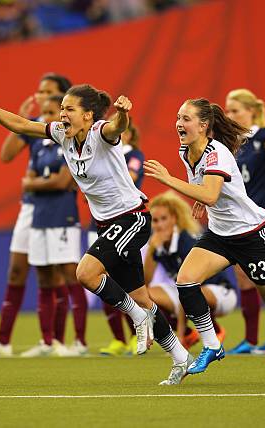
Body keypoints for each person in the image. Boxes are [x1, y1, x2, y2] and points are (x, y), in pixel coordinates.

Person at [0, 84, 193, 385]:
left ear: (87, 115)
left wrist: (123, 115)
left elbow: (117, 127)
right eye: (62, 110)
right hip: (107, 225)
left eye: (69, 109)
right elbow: (20, 124)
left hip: (131, 219)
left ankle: (137, 318)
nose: (62, 115)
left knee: (85, 273)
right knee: (143, 299)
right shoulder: (62, 134)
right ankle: (181, 358)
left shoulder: (102, 133)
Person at [144, 98, 265, 384]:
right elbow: (205, 191)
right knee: (186, 280)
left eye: (186, 119)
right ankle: (212, 345)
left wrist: (171, 181)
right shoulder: (186, 150)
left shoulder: (216, 152)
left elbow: (211, 193)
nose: (179, 123)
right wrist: (201, 201)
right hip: (220, 234)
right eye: (178, 117)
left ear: (204, 126)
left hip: (251, 234)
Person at [0, 72, 73, 357]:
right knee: (17, 270)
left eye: (47, 91)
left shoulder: (67, 130)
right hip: (30, 206)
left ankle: (56, 341)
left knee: (54, 275)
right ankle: (3, 342)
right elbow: (6, 155)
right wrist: (19, 118)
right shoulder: (37, 127)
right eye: (39, 91)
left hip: (55, 209)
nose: (40, 97)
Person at [16, 94, 88, 357]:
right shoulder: (39, 147)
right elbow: (30, 179)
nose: (46, 117)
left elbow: (60, 183)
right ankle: (47, 342)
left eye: (52, 112)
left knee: (70, 274)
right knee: (44, 277)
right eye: (45, 113)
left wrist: (35, 184)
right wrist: (39, 183)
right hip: (40, 216)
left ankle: (80, 342)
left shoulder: (68, 143)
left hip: (63, 217)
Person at [224, 88, 265, 354]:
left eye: (235, 110)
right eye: (228, 110)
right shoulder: (231, 143)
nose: (230, 115)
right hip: (240, 221)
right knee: (245, 279)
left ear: (252, 111)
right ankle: (249, 340)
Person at [144, 191, 236, 346]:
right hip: (186, 291)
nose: (158, 225)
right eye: (155, 220)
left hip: (219, 291)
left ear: (174, 218)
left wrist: (178, 336)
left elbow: (190, 285)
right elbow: (145, 281)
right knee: (144, 295)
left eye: (164, 219)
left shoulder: (187, 240)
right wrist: (152, 249)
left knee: (188, 291)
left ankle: (214, 330)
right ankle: (189, 335)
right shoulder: (158, 242)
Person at [95, 120, 146, 356]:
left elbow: (132, 177)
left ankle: (139, 334)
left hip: (127, 221)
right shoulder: (93, 152)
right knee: (101, 280)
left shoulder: (133, 154)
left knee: (131, 285)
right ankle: (118, 338)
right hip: (101, 220)